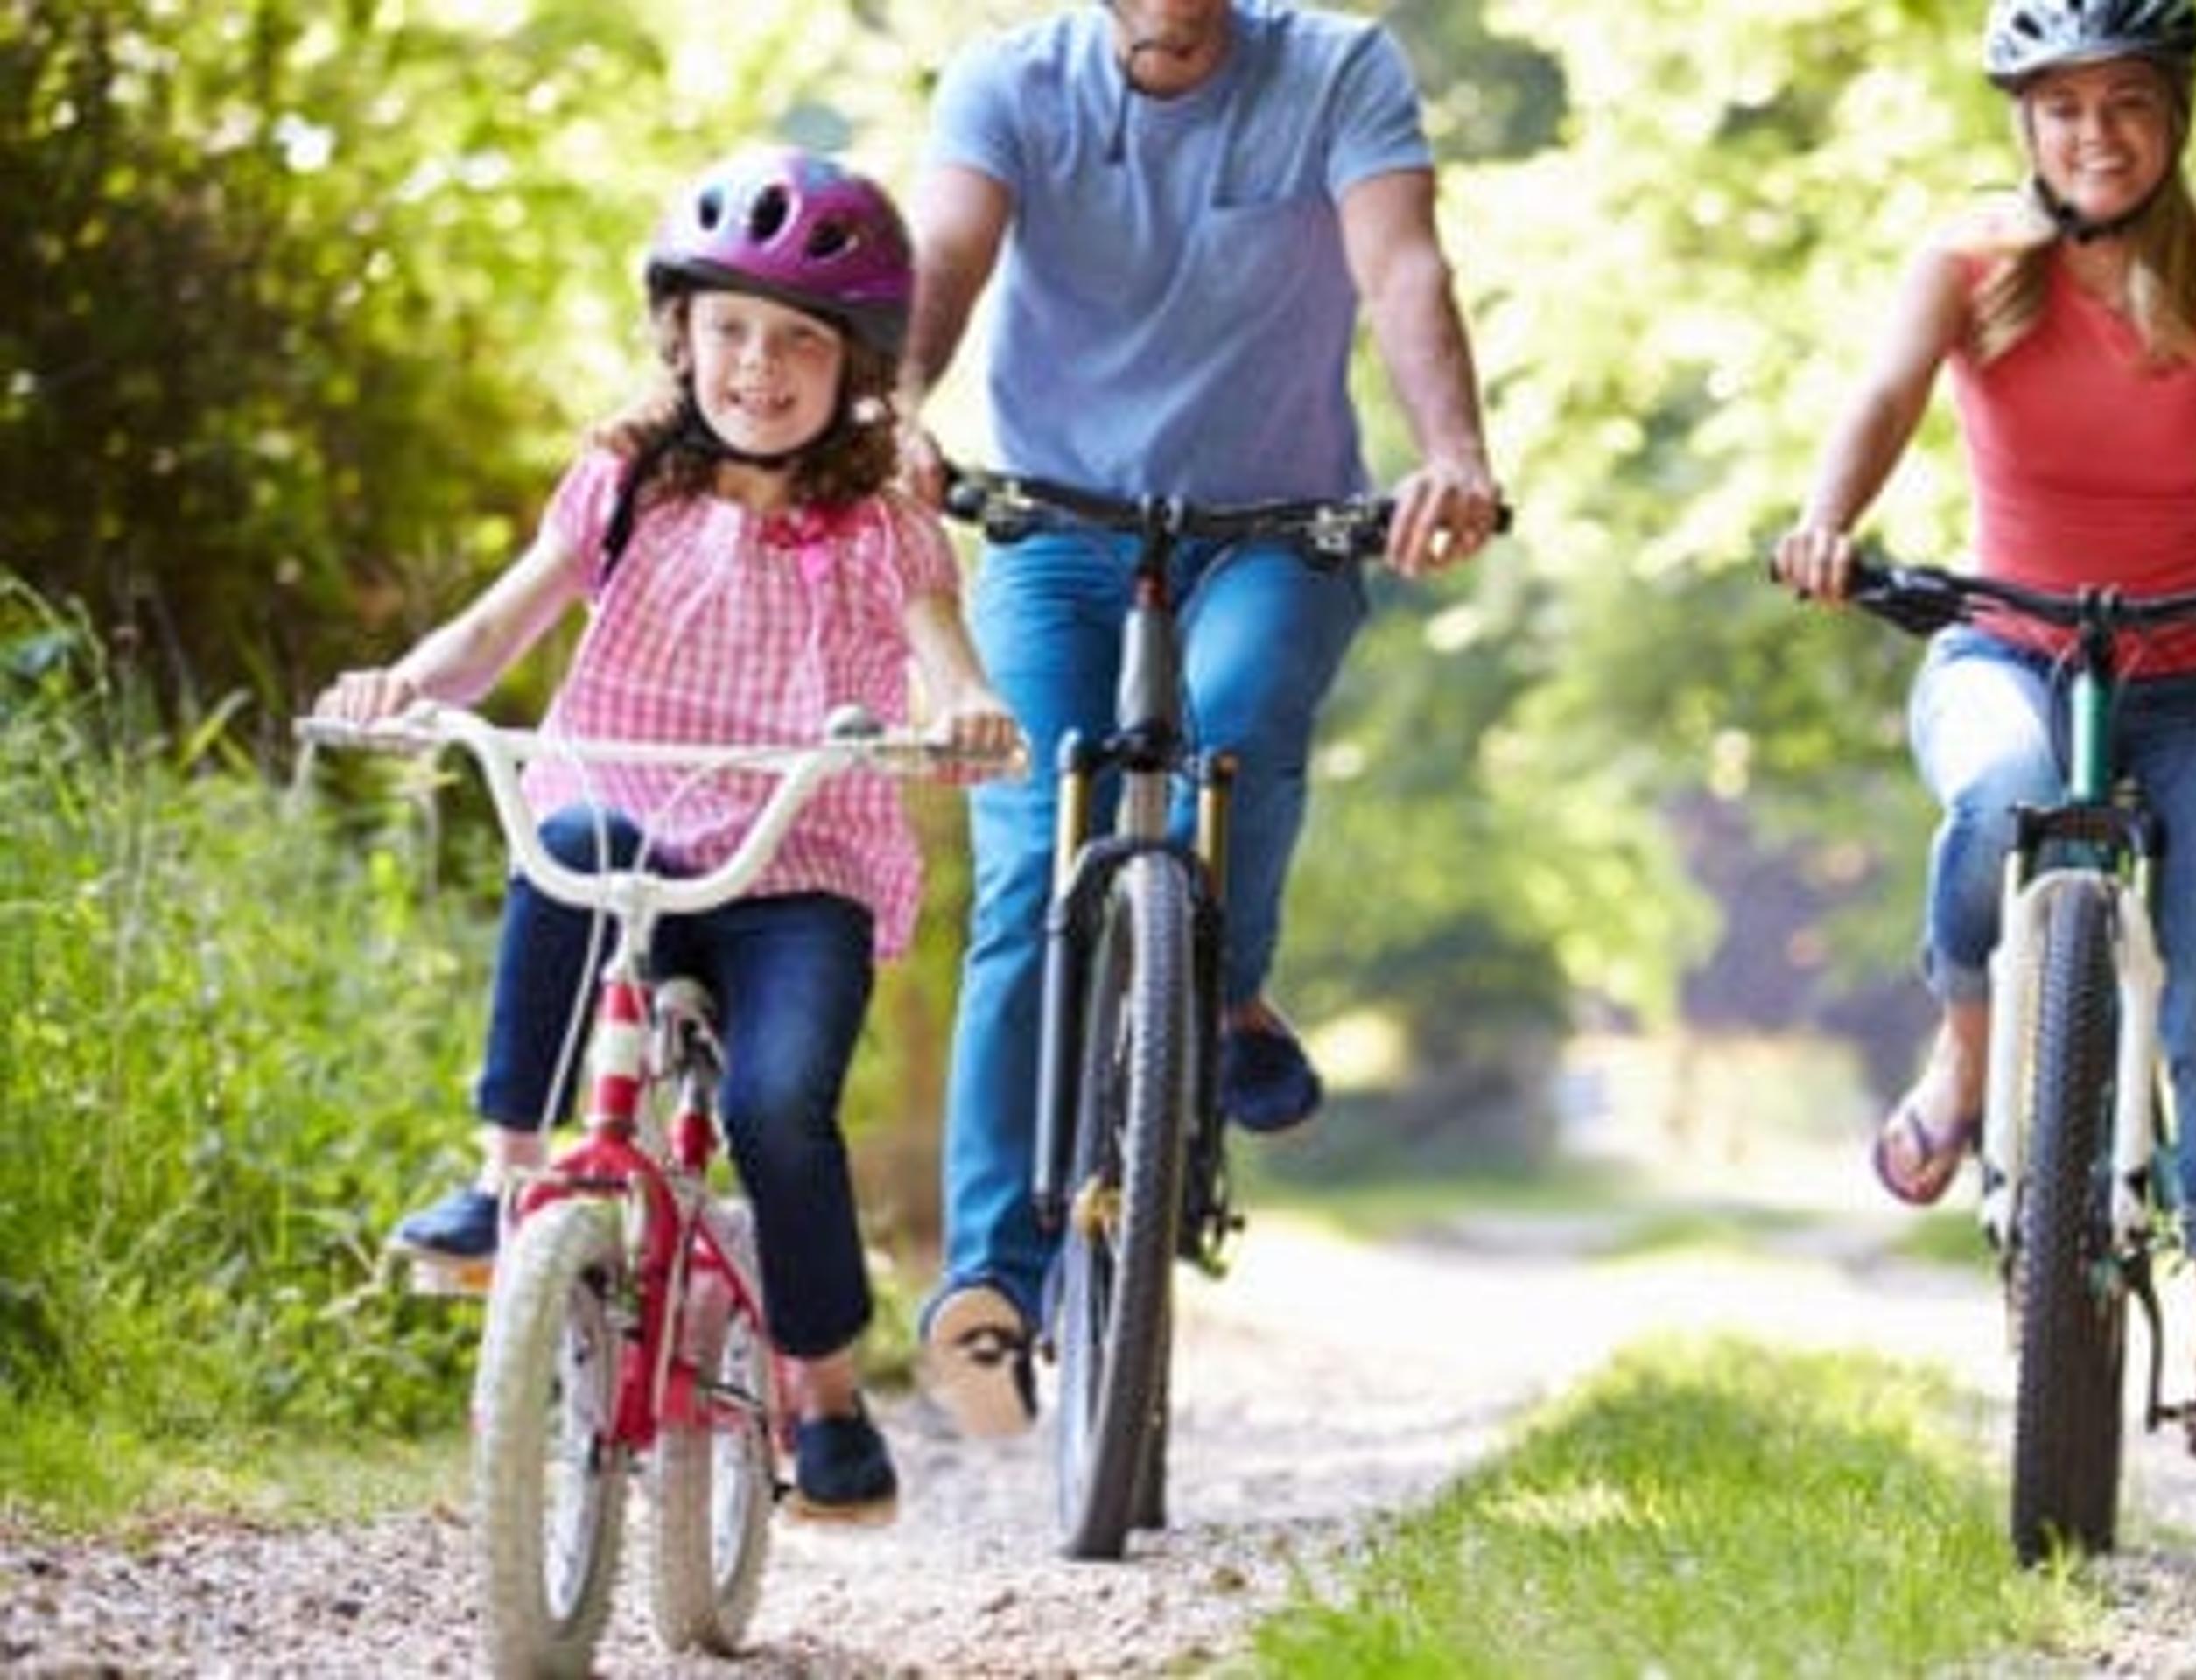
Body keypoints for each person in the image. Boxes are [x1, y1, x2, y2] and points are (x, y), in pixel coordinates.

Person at [315, 147, 1022, 1522]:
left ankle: (821, 1394)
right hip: (631, 830)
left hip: (794, 864)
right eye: (731, 330)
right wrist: (405, 685)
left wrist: (974, 711)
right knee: (563, 836)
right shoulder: (628, 481)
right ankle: (507, 1177)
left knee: (774, 1109)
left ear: (856, 363)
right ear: (681, 335)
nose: (758, 366)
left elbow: (946, 656)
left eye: (799, 341)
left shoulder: (882, 521)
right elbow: (500, 624)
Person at [1768, 0, 2196, 1466]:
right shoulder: (1971, 266)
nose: (2095, 134)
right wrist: (1829, 520)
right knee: (1997, 799)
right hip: (2007, 640)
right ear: (2026, 125)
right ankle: (1967, 1054)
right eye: (2062, 107)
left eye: (2125, 102)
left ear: (2175, 114)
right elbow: (1880, 397)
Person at [896, 0, 1506, 1438]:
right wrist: (896, 403)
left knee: (1234, 724)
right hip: (1055, 526)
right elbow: (944, 257)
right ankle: (991, 1282)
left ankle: (1219, 982)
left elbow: (1401, 264)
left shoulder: (1338, 67)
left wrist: (1452, 453)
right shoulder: (1008, 80)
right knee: (1033, 851)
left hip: (1274, 528)